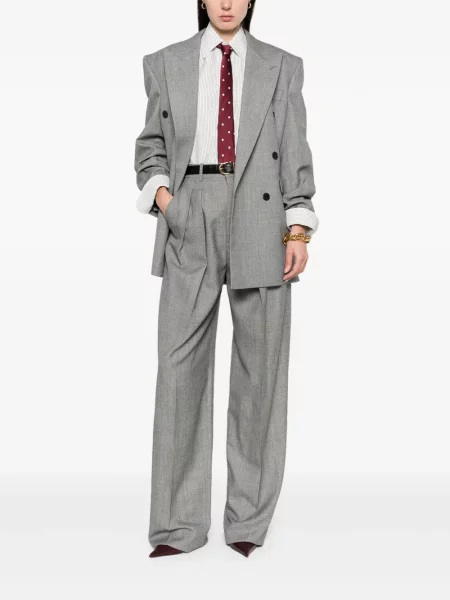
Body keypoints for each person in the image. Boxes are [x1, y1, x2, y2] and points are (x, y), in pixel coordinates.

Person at [134, 0, 318, 559]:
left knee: (261, 371)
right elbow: (150, 147)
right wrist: (168, 201)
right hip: (191, 210)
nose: (228, 3)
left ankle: (248, 520)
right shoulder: (164, 62)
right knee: (178, 367)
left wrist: (297, 228)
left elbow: (295, 149)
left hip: (261, 214)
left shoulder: (282, 65)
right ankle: (177, 526)